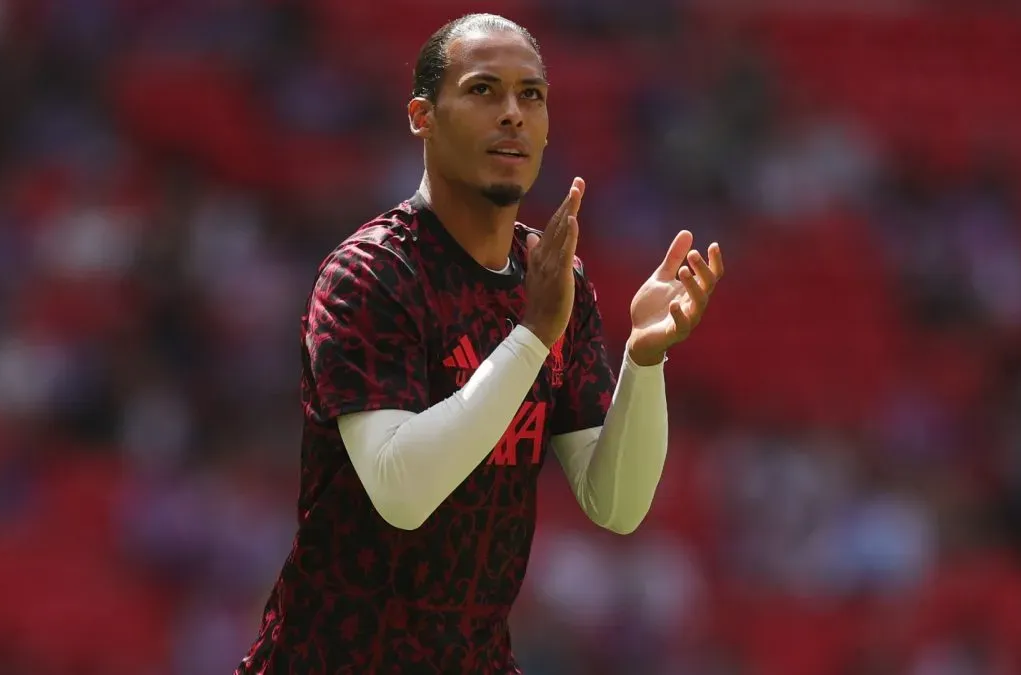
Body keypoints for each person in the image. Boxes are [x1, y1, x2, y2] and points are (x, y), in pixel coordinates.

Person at [235, 12, 723, 675]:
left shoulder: (552, 280)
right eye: (483, 90)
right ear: (421, 116)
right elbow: (401, 489)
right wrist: (531, 337)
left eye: (532, 95)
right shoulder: (372, 273)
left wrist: (645, 359)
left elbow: (616, 503)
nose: (513, 114)